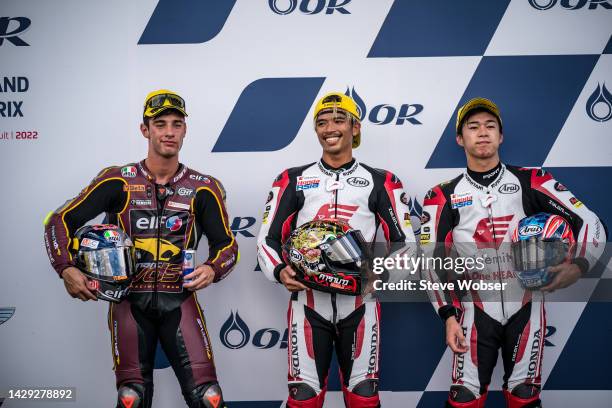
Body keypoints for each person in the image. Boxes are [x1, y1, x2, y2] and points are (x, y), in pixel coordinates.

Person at [43, 90, 238, 408]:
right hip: (128, 302)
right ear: (145, 130)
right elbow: (59, 220)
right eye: (160, 124)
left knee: (209, 397)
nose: (169, 132)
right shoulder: (117, 180)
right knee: (131, 398)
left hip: (181, 302)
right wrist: (65, 267)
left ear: (185, 130)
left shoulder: (203, 187)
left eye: (177, 124)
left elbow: (227, 245)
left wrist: (213, 268)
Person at [420, 97, 607, 408]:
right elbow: (430, 262)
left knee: (524, 397)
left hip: (528, 305)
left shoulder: (533, 180)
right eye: (473, 126)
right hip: (472, 311)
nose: (483, 132)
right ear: (460, 138)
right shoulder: (442, 195)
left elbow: (591, 222)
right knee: (465, 398)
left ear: (501, 136)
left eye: (490, 126)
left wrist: (579, 265)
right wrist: (448, 316)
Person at [257, 92, 417, 408]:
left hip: (360, 305)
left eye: (339, 120)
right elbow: (267, 240)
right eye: (322, 122)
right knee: (303, 398)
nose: (330, 127)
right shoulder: (292, 179)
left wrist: (380, 275)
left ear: (355, 127)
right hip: (307, 302)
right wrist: (279, 271)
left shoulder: (382, 181)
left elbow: (407, 245)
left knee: (363, 398)